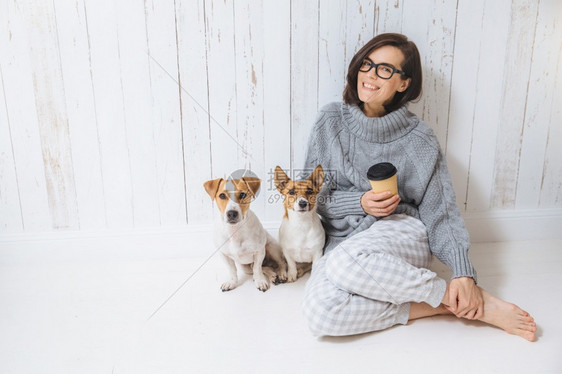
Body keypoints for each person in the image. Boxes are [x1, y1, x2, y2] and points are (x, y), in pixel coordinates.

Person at [301, 33, 536, 341]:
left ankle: (462, 294)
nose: (370, 75)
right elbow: (308, 196)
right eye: (367, 64)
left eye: (385, 69)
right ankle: (449, 303)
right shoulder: (329, 121)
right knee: (321, 315)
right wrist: (360, 203)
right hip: (347, 240)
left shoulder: (419, 140)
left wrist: (463, 273)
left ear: (404, 83)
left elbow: (442, 212)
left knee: (347, 263)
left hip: (401, 230)